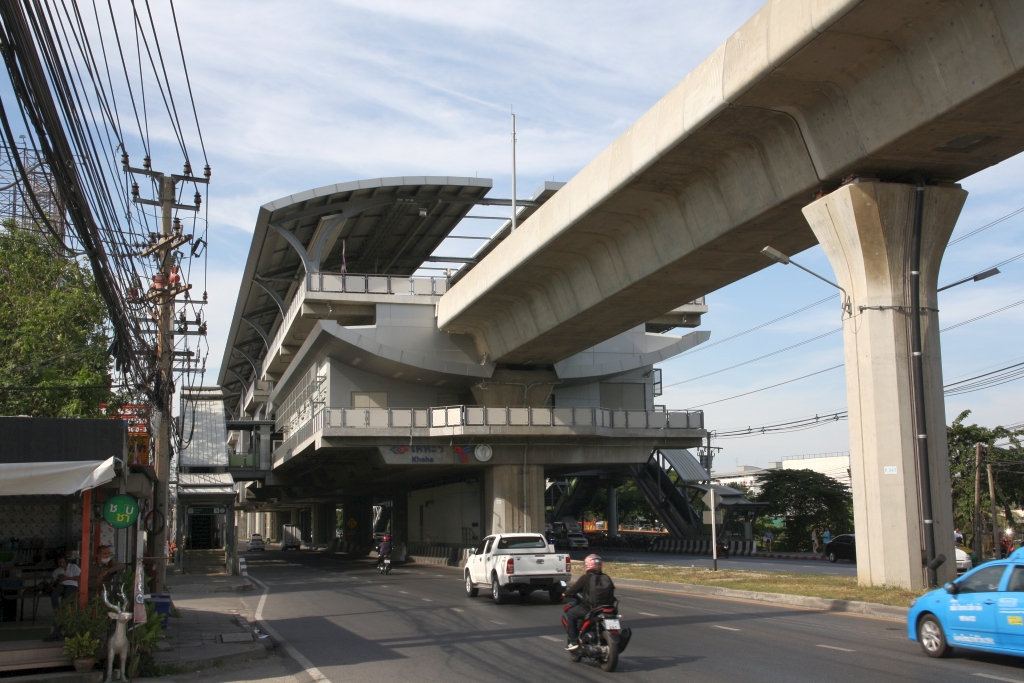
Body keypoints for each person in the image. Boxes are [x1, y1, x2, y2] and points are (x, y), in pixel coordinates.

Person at [562, 554, 616, 651]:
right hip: (608, 608)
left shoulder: (586, 577)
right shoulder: (606, 577)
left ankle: (574, 641)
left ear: (587, 565)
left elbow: (574, 589)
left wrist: (564, 594)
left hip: (590, 608)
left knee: (571, 614)